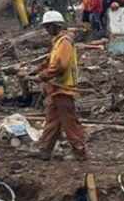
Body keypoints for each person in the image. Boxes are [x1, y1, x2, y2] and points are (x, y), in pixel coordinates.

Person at [34, 11, 87, 161]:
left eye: (48, 27)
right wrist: (37, 70)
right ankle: (45, 150)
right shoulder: (57, 42)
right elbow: (51, 61)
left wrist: (42, 76)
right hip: (56, 88)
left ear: (56, 26)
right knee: (52, 120)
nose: (46, 30)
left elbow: (60, 66)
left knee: (69, 122)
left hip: (64, 88)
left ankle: (80, 151)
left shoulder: (64, 42)